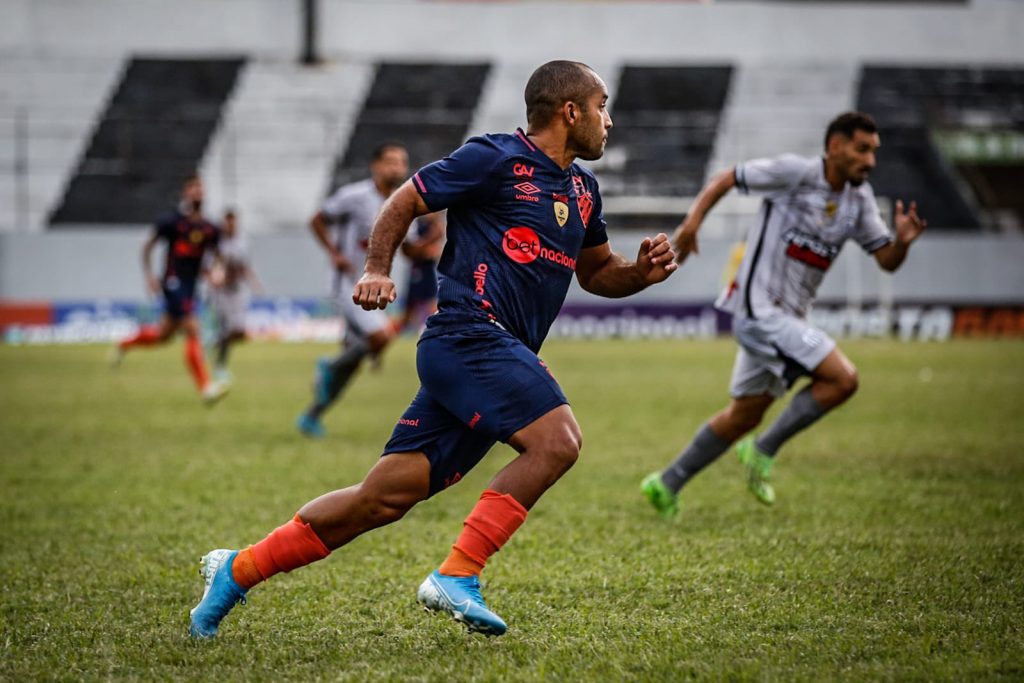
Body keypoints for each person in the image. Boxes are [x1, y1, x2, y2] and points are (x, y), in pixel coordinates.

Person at [189, 60, 678, 639]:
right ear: (570, 112)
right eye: (602, 107)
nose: (609, 121)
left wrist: (639, 274)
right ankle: (458, 573)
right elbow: (404, 200)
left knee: (381, 499)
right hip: (467, 336)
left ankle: (235, 570)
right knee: (558, 440)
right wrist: (376, 268)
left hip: (491, 356)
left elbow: (597, 273)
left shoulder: (583, 190)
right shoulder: (494, 158)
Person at [641, 112, 928, 520]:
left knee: (745, 415)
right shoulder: (795, 173)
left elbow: (886, 260)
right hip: (760, 311)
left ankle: (666, 483)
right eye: (862, 150)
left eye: (874, 152)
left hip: (788, 320)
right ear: (835, 147)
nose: (870, 161)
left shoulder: (859, 201)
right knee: (843, 379)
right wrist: (691, 225)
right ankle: (762, 450)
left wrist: (902, 243)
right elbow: (727, 177)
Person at [296, 143, 410, 438]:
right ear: (376, 166)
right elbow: (317, 219)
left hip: (371, 291)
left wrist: (431, 244)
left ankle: (311, 416)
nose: (397, 168)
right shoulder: (355, 196)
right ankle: (328, 365)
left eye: (401, 163)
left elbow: (405, 247)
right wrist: (334, 252)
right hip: (346, 284)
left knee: (354, 360)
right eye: (390, 161)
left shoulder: (403, 201)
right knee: (380, 336)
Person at [111, 173, 230, 404]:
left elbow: (219, 256)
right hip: (173, 283)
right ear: (185, 193)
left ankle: (125, 343)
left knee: (163, 336)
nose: (198, 192)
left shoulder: (209, 228)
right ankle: (206, 388)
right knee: (193, 328)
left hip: (191, 286)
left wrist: (218, 271)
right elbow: (147, 247)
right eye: (193, 188)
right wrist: (148, 276)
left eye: (200, 188)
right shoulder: (172, 222)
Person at [207, 209, 263, 381]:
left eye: (233, 222)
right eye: (227, 222)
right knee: (227, 328)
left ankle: (215, 342)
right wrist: (214, 278)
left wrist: (254, 282)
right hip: (221, 292)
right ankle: (220, 366)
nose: (230, 226)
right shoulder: (217, 242)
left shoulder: (242, 242)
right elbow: (210, 264)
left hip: (237, 290)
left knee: (239, 332)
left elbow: (244, 265)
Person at [394, 211, 445, 333]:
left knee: (432, 305)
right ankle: (387, 333)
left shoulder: (433, 226)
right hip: (418, 272)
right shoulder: (419, 226)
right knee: (409, 313)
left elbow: (435, 249)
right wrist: (425, 249)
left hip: (428, 271)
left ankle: (437, 331)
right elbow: (412, 250)